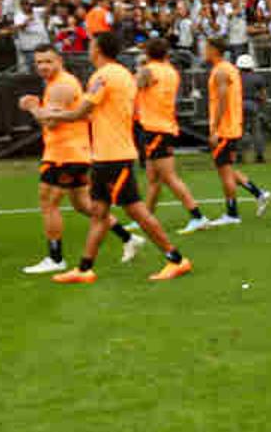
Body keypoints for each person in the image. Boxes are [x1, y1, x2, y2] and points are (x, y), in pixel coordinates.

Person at [30, 30, 192, 283]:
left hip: (113, 154)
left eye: (91, 45)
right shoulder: (122, 74)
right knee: (99, 212)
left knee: (137, 212)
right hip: (108, 153)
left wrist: (40, 111)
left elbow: (80, 112)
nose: (89, 49)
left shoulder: (104, 76)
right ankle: (85, 269)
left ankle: (176, 259)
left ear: (98, 49)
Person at [19, 46, 142, 274]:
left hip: (64, 154)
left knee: (48, 203)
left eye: (48, 61)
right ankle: (128, 238)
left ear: (60, 61)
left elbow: (51, 122)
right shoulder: (59, 84)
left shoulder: (61, 86)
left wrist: (33, 108)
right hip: (75, 151)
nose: (43, 66)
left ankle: (55, 258)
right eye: (38, 62)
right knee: (83, 205)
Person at [136, 37, 213, 234]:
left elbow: (133, 86)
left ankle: (197, 216)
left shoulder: (149, 70)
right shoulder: (171, 71)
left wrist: (139, 66)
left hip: (155, 128)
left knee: (169, 177)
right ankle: (145, 218)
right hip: (163, 125)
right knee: (153, 177)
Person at [204, 37, 271, 223]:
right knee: (228, 168)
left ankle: (232, 213)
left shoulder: (221, 70)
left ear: (214, 50)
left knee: (224, 172)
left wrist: (215, 129)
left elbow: (223, 99)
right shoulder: (228, 69)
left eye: (207, 48)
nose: (204, 51)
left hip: (225, 129)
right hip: (231, 127)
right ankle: (259, 193)